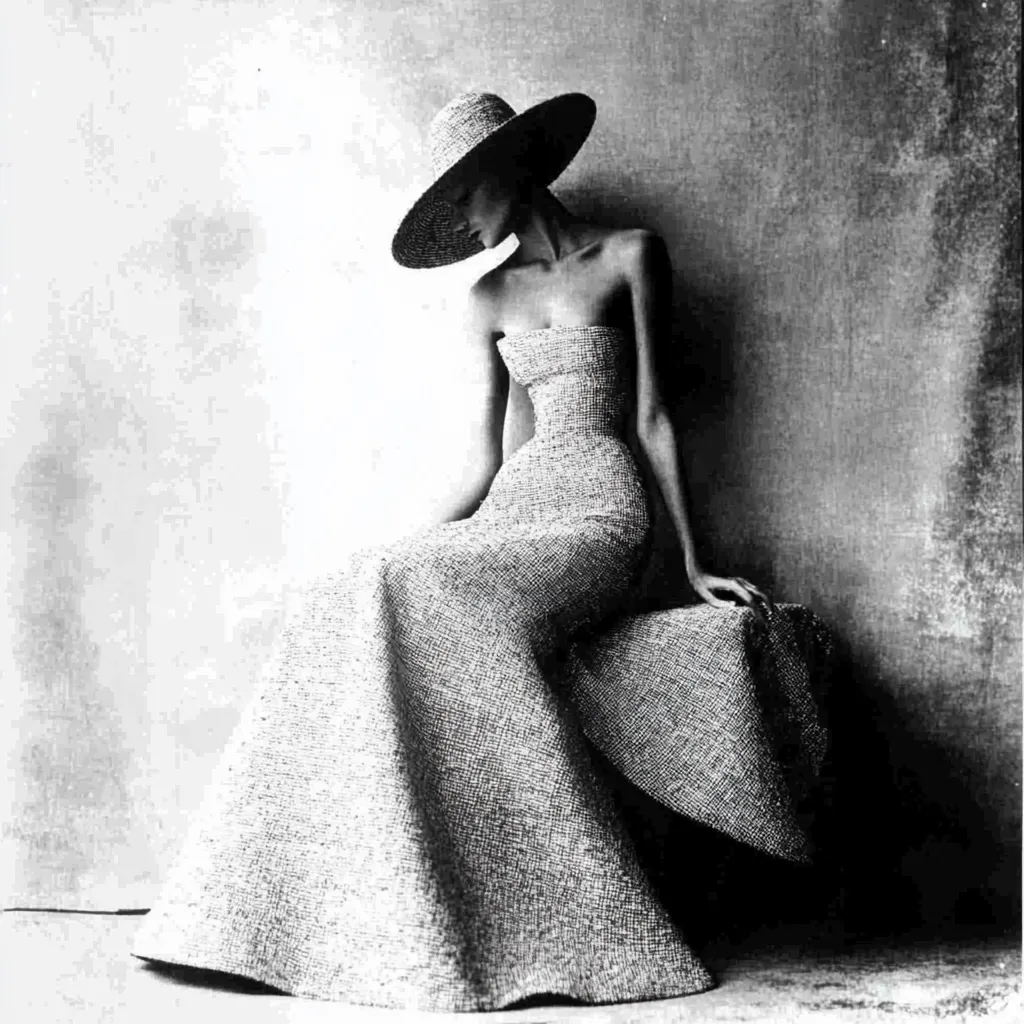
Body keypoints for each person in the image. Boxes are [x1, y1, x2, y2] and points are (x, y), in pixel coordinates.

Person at [132, 91, 820, 1012]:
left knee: (404, 592)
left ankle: (570, 915)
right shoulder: (486, 294)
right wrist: (408, 543)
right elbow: (483, 459)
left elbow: (656, 418)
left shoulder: (629, 254)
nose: (463, 219)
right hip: (517, 501)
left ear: (509, 172)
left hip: (598, 512)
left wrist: (695, 562)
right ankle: (293, 904)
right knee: (362, 584)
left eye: (465, 196)